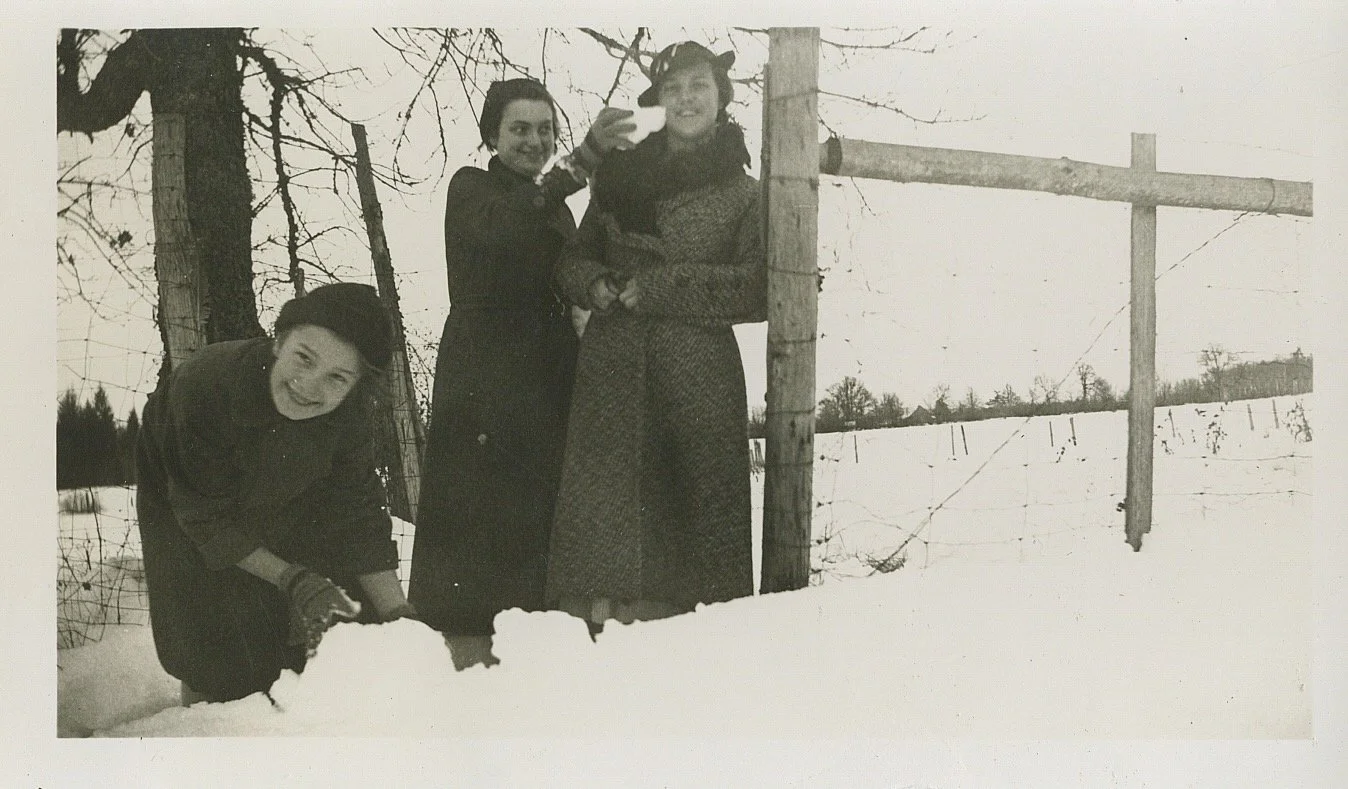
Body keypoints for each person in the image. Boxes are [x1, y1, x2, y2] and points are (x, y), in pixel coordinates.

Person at [407, 78, 635, 666]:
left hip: (549, 368)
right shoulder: (472, 188)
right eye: (520, 129)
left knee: (541, 510)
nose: (535, 141)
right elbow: (503, 228)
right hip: (486, 372)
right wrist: (581, 160)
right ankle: (461, 658)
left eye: (544, 130)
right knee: (479, 515)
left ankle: (532, 656)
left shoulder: (555, 206)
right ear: (492, 135)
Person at [547, 42, 766, 629]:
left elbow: (757, 288)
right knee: (612, 519)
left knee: (701, 517)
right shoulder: (619, 178)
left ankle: (709, 656)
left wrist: (664, 288)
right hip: (613, 368)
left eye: (699, 86)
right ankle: (601, 645)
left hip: (698, 374)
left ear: (722, 98)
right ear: (658, 101)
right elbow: (572, 260)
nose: (687, 99)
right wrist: (593, 284)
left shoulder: (746, 194)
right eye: (674, 90)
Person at [135, 282, 416, 705]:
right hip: (185, 493)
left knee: (335, 620)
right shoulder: (205, 388)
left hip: (282, 476)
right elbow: (206, 520)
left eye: (337, 377)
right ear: (279, 341)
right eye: (304, 357)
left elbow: (357, 515)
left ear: (355, 386)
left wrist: (400, 616)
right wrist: (292, 577)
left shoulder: (350, 417)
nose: (309, 385)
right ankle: (200, 716)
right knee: (212, 638)